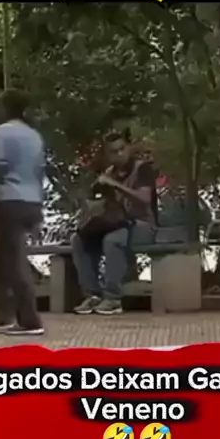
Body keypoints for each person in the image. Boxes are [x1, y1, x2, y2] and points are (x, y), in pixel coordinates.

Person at [72, 129, 157, 316]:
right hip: (115, 223)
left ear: (129, 148)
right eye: (114, 151)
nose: (119, 154)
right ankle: (92, 294)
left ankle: (113, 298)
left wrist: (116, 185)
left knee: (113, 240)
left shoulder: (142, 168)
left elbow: (144, 199)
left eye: (122, 149)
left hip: (142, 225)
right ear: (108, 154)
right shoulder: (109, 172)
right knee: (78, 240)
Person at [0, 89, 45, 336]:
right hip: (32, 200)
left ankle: (30, 320)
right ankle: (5, 315)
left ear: (5, 108)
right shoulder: (34, 136)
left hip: (10, 199)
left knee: (12, 261)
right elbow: (40, 170)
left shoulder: (2, 132)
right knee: (4, 257)